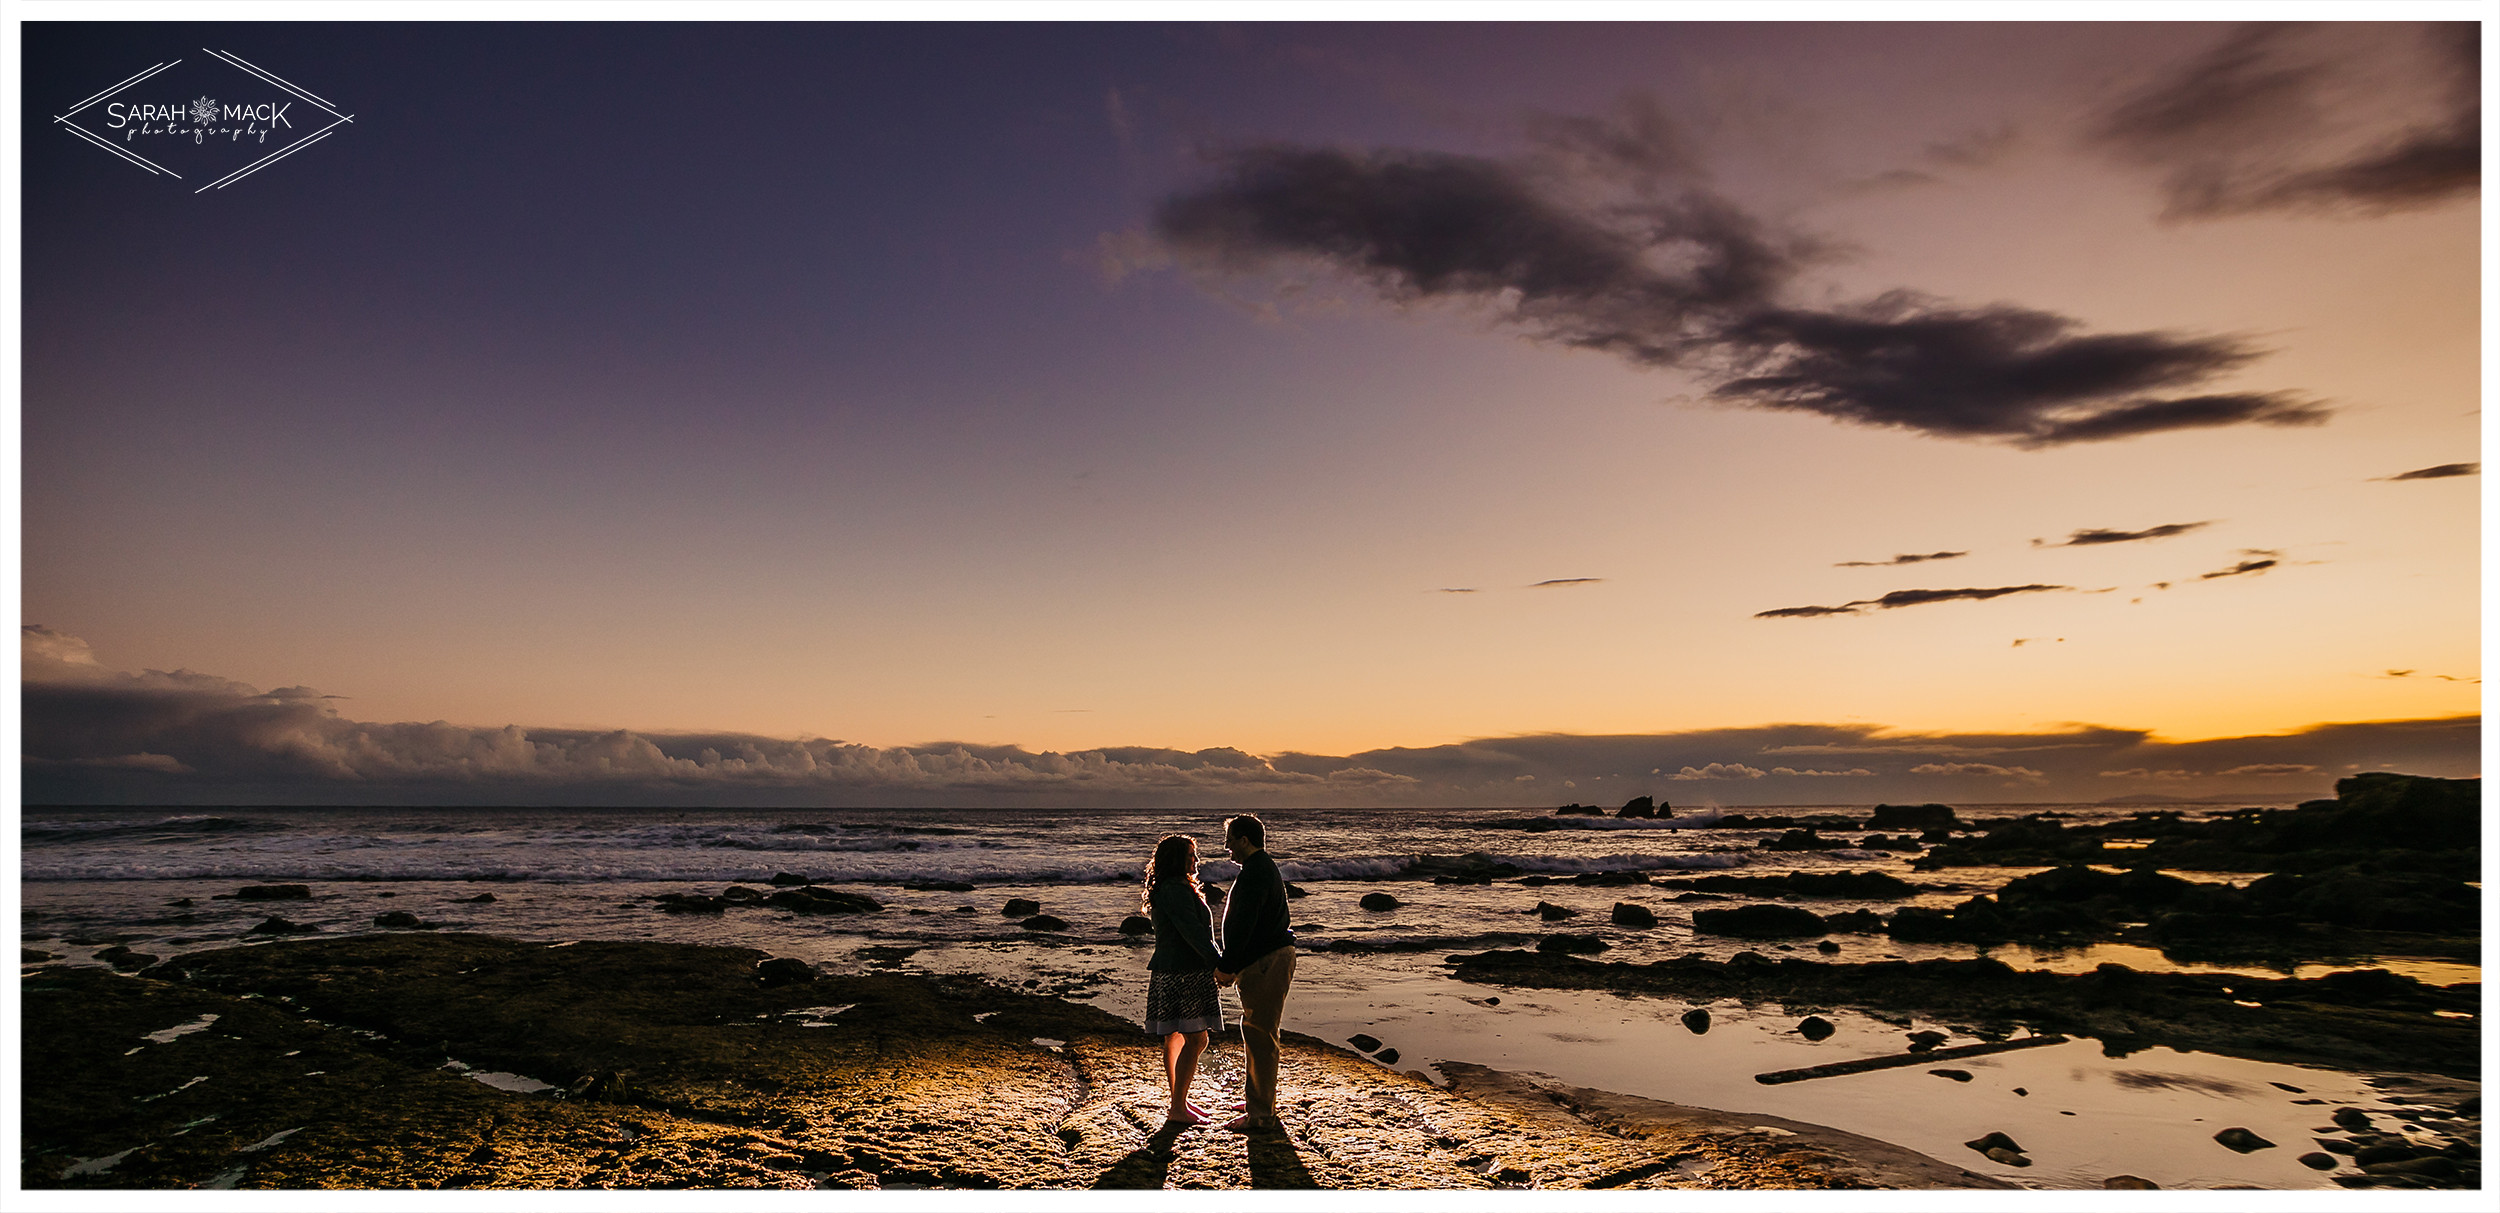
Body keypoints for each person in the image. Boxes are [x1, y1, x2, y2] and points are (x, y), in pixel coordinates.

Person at [1212, 813, 1295, 1133]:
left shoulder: (1256, 873)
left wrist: (1227, 967)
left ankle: (1260, 1114)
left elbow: (1244, 926)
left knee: (1260, 1036)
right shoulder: (1260, 868)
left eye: (1230, 839)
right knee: (1259, 1033)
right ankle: (1259, 1100)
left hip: (1266, 961)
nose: (1226, 846)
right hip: (1267, 958)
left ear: (1244, 840)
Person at [1140, 834, 1223, 1127]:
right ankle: (1177, 1106)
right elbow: (1194, 934)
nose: (1196, 861)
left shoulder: (1170, 887)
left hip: (1170, 970)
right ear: (1177, 859)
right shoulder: (1175, 889)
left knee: (1174, 1035)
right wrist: (1220, 964)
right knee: (1197, 1038)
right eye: (1191, 855)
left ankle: (1179, 1102)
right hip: (1184, 972)